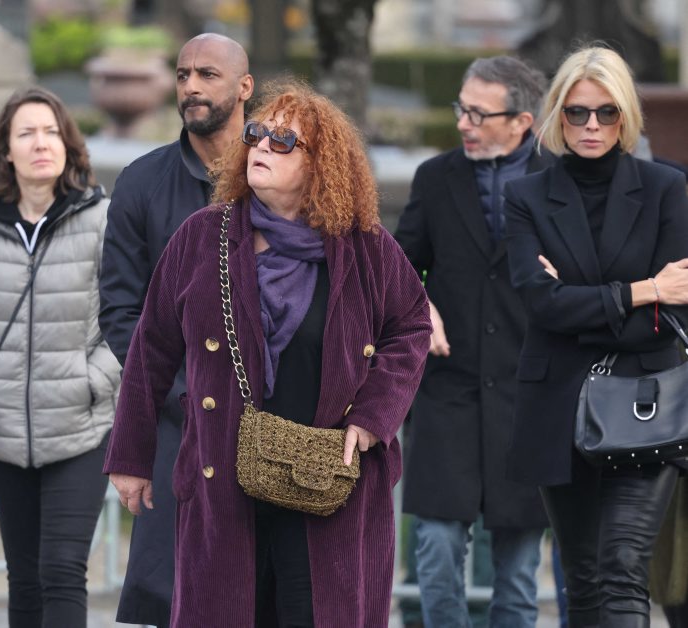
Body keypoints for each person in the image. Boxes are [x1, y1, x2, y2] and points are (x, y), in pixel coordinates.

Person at [104, 79, 431, 627]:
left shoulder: (364, 246)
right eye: (257, 133)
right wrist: (131, 457)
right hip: (225, 480)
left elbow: (412, 325)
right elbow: (150, 348)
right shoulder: (202, 236)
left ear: (321, 164)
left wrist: (375, 416)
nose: (261, 146)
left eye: (283, 141)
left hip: (326, 482)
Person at [503, 45, 688, 627]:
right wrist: (641, 290)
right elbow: (541, 305)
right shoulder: (525, 196)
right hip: (557, 406)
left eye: (607, 112)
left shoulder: (667, 188)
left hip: (646, 402)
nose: (591, 125)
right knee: (581, 577)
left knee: (623, 569)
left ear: (625, 115)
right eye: (577, 112)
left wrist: (576, 301)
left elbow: (673, 308)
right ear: (558, 114)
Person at [0, 85, 121, 628]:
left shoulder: (101, 219)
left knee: (62, 569)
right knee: (25, 577)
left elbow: (132, 315)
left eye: (52, 131)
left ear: (68, 145)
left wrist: (93, 379)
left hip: (81, 427)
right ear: (6, 151)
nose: (41, 143)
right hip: (2, 429)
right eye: (27, 133)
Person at [98, 32, 253, 627]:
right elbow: (121, 310)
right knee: (173, 597)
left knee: (263, 591)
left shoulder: (284, 171)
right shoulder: (141, 182)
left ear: (244, 86)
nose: (191, 86)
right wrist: (177, 391)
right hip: (177, 422)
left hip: (272, 422)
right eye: (183, 74)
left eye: (208, 74)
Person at [394, 55, 552, 628]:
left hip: (529, 398)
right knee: (435, 550)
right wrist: (421, 305)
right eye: (462, 108)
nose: (463, 122)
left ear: (522, 122)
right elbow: (398, 267)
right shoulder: (435, 177)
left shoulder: (560, 182)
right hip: (447, 392)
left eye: (479, 114)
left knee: (517, 573)